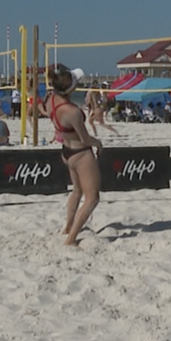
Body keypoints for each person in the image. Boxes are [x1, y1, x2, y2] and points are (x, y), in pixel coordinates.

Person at [45, 65, 103, 247]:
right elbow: (85, 138)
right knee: (92, 197)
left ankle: (68, 228)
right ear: (72, 88)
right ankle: (70, 240)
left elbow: (44, 110)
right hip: (80, 153)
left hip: (66, 151)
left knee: (77, 190)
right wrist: (98, 143)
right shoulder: (73, 112)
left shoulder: (51, 100)